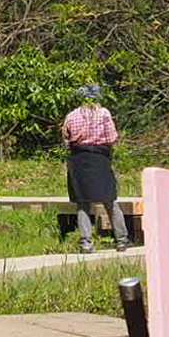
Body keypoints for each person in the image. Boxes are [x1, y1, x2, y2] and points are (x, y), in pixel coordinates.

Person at [61, 84, 121, 249]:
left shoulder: (71, 115)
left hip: (79, 160)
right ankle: (122, 240)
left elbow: (66, 138)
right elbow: (112, 138)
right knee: (110, 200)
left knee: (82, 202)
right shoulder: (104, 114)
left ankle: (86, 243)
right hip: (100, 158)